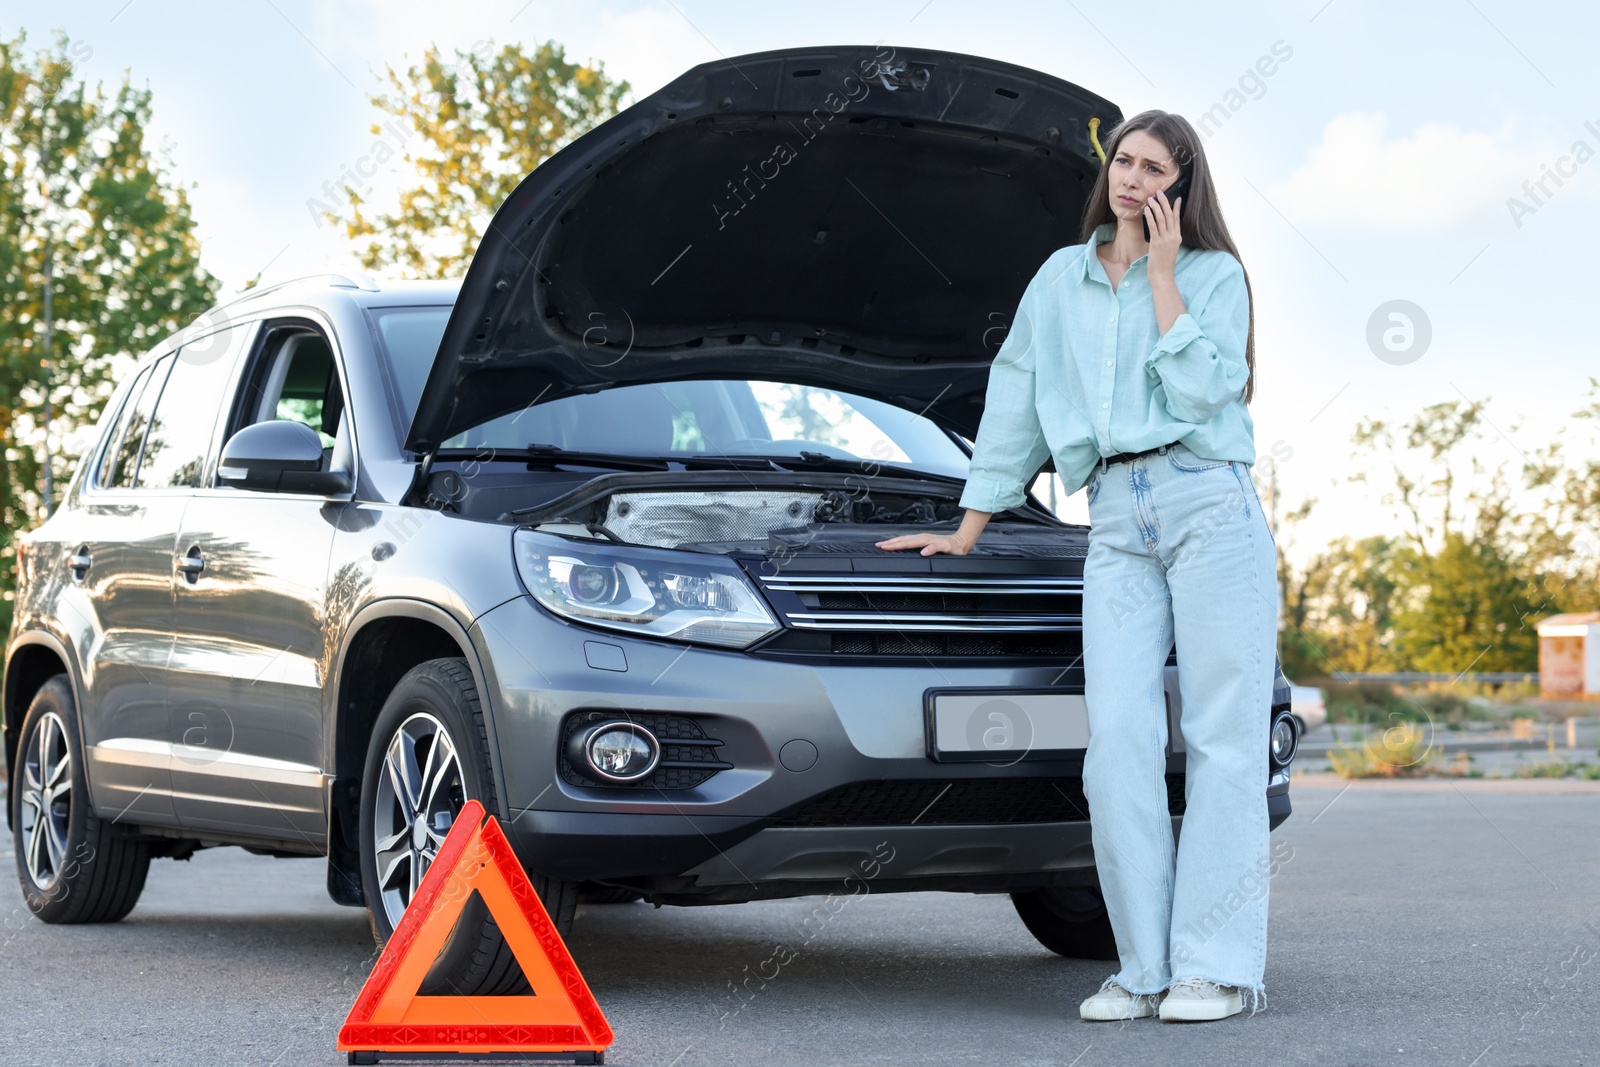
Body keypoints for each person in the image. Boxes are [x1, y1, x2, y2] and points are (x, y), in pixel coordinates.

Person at [874, 109, 1277, 1024]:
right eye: (1124, 161)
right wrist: (971, 524)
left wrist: (1165, 278)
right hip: (1113, 518)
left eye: (1155, 169)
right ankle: (1142, 968)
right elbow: (1017, 391)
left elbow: (1209, 390)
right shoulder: (1061, 277)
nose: (1134, 179)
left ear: (1183, 187)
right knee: (1117, 746)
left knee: (1222, 742)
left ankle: (1213, 966)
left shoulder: (1214, 276)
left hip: (1207, 501)